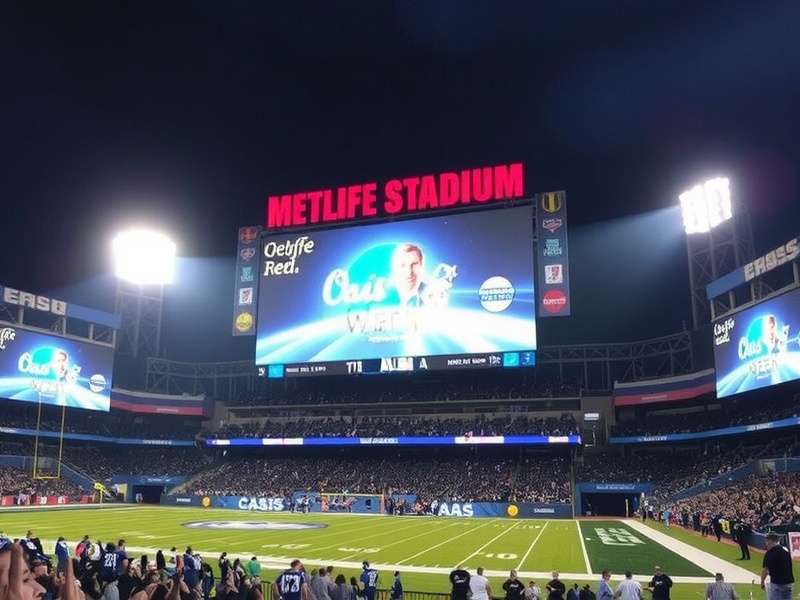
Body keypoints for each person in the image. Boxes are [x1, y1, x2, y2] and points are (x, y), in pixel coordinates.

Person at [761, 532, 794, 599]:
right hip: (789, 583)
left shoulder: (770, 553)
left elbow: (765, 570)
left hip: (777, 583)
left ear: (770, 541)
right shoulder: (785, 550)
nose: (765, 542)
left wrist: (762, 581)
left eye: (766, 540)